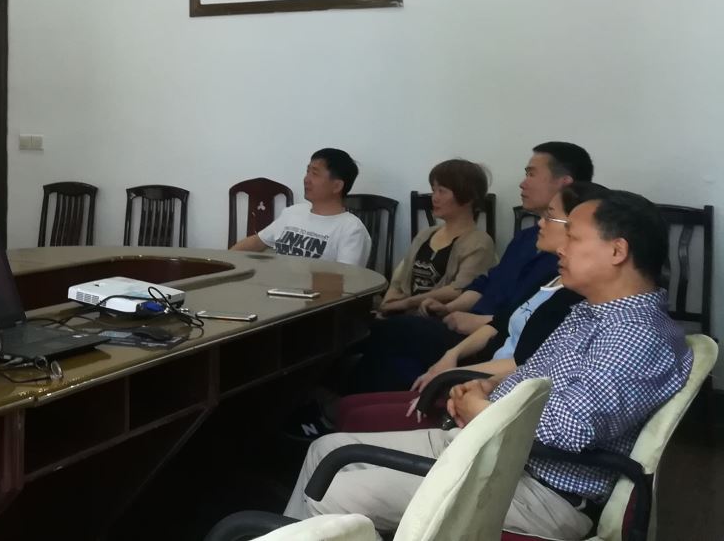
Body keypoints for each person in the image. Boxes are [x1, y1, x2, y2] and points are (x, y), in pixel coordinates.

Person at [286, 190, 693, 539]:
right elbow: (533, 375)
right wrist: (484, 389)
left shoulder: (635, 335)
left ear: (617, 251)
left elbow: (572, 428)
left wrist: (484, 409)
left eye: (573, 237)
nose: (561, 248)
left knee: (331, 491)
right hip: (500, 452)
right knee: (327, 449)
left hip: (542, 488)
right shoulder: (593, 312)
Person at [335, 181, 607, 433]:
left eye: (550, 216)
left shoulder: (578, 301)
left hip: (491, 396)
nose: (540, 223)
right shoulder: (550, 276)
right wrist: (451, 357)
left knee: (375, 370)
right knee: (369, 375)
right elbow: (499, 317)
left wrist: (456, 379)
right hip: (485, 375)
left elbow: (528, 370)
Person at [341, 142, 593, 391]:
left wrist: (481, 321)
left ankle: (345, 398)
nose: (522, 182)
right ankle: (354, 402)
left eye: (531, 174)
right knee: (389, 352)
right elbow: (486, 282)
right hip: (470, 327)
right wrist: (450, 308)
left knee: (387, 332)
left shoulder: (571, 263)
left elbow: (535, 323)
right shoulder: (525, 239)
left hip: (492, 340)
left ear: (564, 183)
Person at [376, 159, 496, 317]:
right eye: (434, 190)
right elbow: (400, 278)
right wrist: (389, 301)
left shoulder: (479, 242)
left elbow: (460, 289)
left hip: (439, 319)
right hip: (403, 315)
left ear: (468, 197)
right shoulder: (425, 234)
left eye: (442, 191)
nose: (434, 198)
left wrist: (407, 303)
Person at [232, 149, 371, 267]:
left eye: (315, 174)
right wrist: (225, 260)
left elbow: (347, 280)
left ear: (337, 186)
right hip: (276, 286)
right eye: (307, 172)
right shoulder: (293, 212)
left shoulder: (352, 229)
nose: (306, 179)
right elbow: (257, 242)